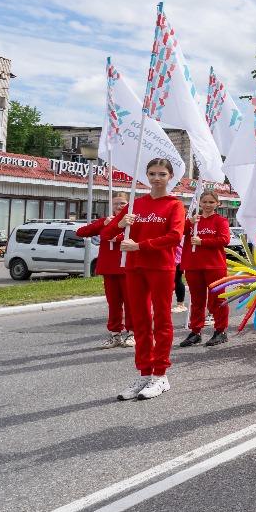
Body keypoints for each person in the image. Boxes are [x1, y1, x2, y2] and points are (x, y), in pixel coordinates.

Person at [108, 158, 185, 401]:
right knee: (140, 322)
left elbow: (175, 237)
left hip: (161, 268)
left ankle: (160, 375)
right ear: (146, 176)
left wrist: (140, 245)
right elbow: (107, 233)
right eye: (152, 173)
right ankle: (144, 373)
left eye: (162, 174)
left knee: (161, 320)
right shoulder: (135, 204)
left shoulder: (174, 205)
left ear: (170, 176)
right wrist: (120, 223)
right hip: (134, 268)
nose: (156, 178)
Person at [76, 191, 134, 349]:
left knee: (130, 302)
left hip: (126, 266)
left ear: (128, 204)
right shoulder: (106, 221)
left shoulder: (132, 220)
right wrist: (103, 224)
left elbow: (140, 237)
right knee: (113, 303)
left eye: (122, 203)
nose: (118, 206)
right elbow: (81, 232)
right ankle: (115, 334)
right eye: (115, 203)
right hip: (109, 268)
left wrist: (119, 237)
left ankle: (132, 332)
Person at [178, 188, 232, 348]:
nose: (207, 205)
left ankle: (220, 331)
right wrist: (189, 223)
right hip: (193, 265)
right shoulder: (193, 221)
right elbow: (177, 231)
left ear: (217, 203)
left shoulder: (221, 221)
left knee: (218, 300)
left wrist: (203, 241)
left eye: (211, 202)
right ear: (199, 203)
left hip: (215, 266)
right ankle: (196, 332)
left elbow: (224, 239)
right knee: (197, 301)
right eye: (205, 202)